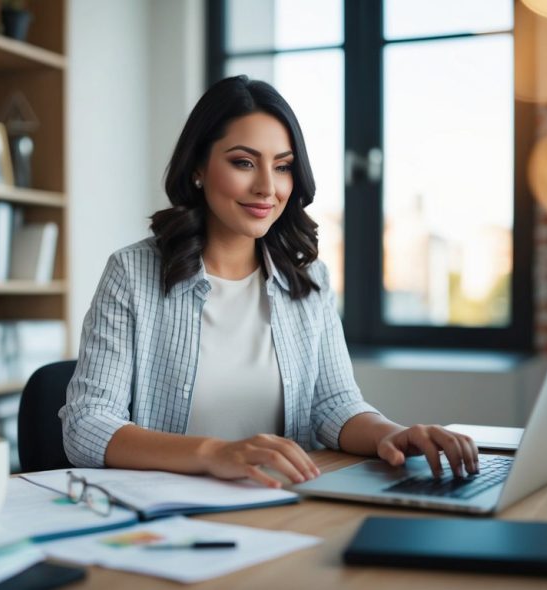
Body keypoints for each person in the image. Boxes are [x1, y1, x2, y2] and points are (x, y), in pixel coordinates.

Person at [60, 75, 479, 488]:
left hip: (280, 506)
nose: (267, 188)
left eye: (282, 167)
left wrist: (390, 432)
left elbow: (334, 405)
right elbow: (87, 424)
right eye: (243, 162)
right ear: (198, 169)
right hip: (170, 518)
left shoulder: (309, 278)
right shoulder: (132, 274)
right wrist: (214, 454)